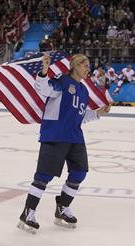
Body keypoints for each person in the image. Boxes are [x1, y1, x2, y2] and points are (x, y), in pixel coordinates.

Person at [18, 54, 111, 234]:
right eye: (85, 65)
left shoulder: (83, 90)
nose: (88, 69)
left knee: (79, 173)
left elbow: (81, 115)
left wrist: (98, 112)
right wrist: (44, 71)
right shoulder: (62, 81)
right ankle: (28, 212)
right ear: (75, 66)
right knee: (43, 176)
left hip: (75, 137)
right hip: (55, 135)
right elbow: (43, 89)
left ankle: (62, 207)